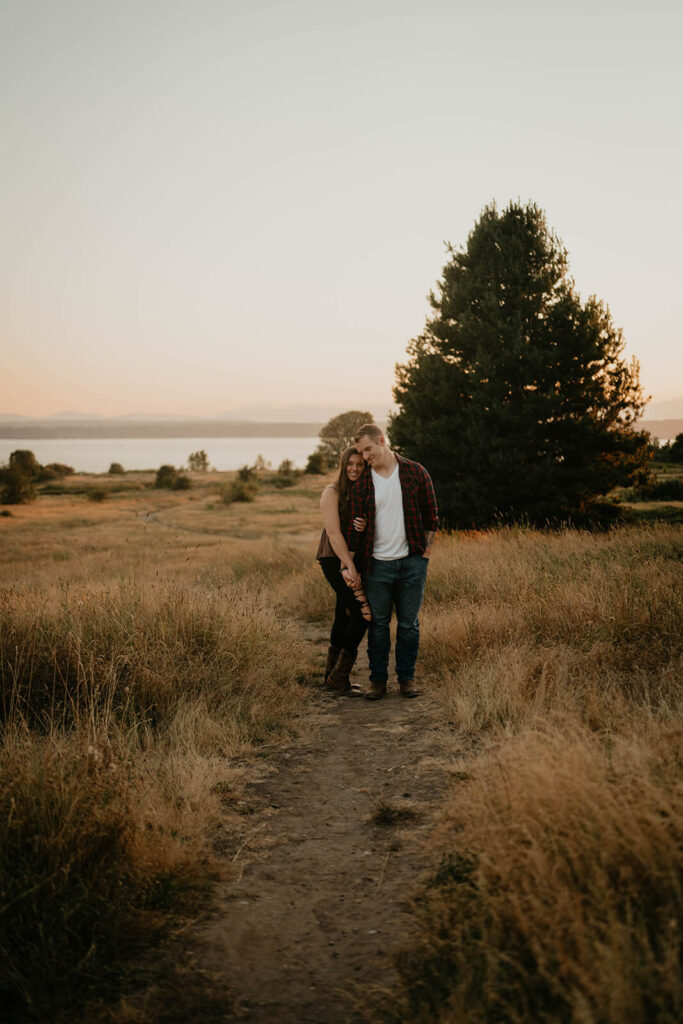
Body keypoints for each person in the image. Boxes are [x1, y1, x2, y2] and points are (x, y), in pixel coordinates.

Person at [350, 423, 438, 700]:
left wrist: (424, 554)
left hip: (412, 562)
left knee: (408, 625)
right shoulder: (363, 483)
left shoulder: (415, 472)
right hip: (377, 566)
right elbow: (355, 527)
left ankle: (406, 680)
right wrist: (359, 527)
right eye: (361, 452)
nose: (365, 456)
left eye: (368, 449)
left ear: (382, 440)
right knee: (378, 625)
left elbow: (431, 516)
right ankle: (378, 681)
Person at [317, 447, 371, 694]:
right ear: (343, 464)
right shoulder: (332, 491)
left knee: (344, 613)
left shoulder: (362, 491)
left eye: (360, 464)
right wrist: (349, 567)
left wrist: (365, 523)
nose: (355, 468)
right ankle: (339, 678)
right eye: (351, 463)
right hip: (333, 558)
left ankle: (331, 676)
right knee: (362, 614)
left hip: (352, 559)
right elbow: (335, 533)